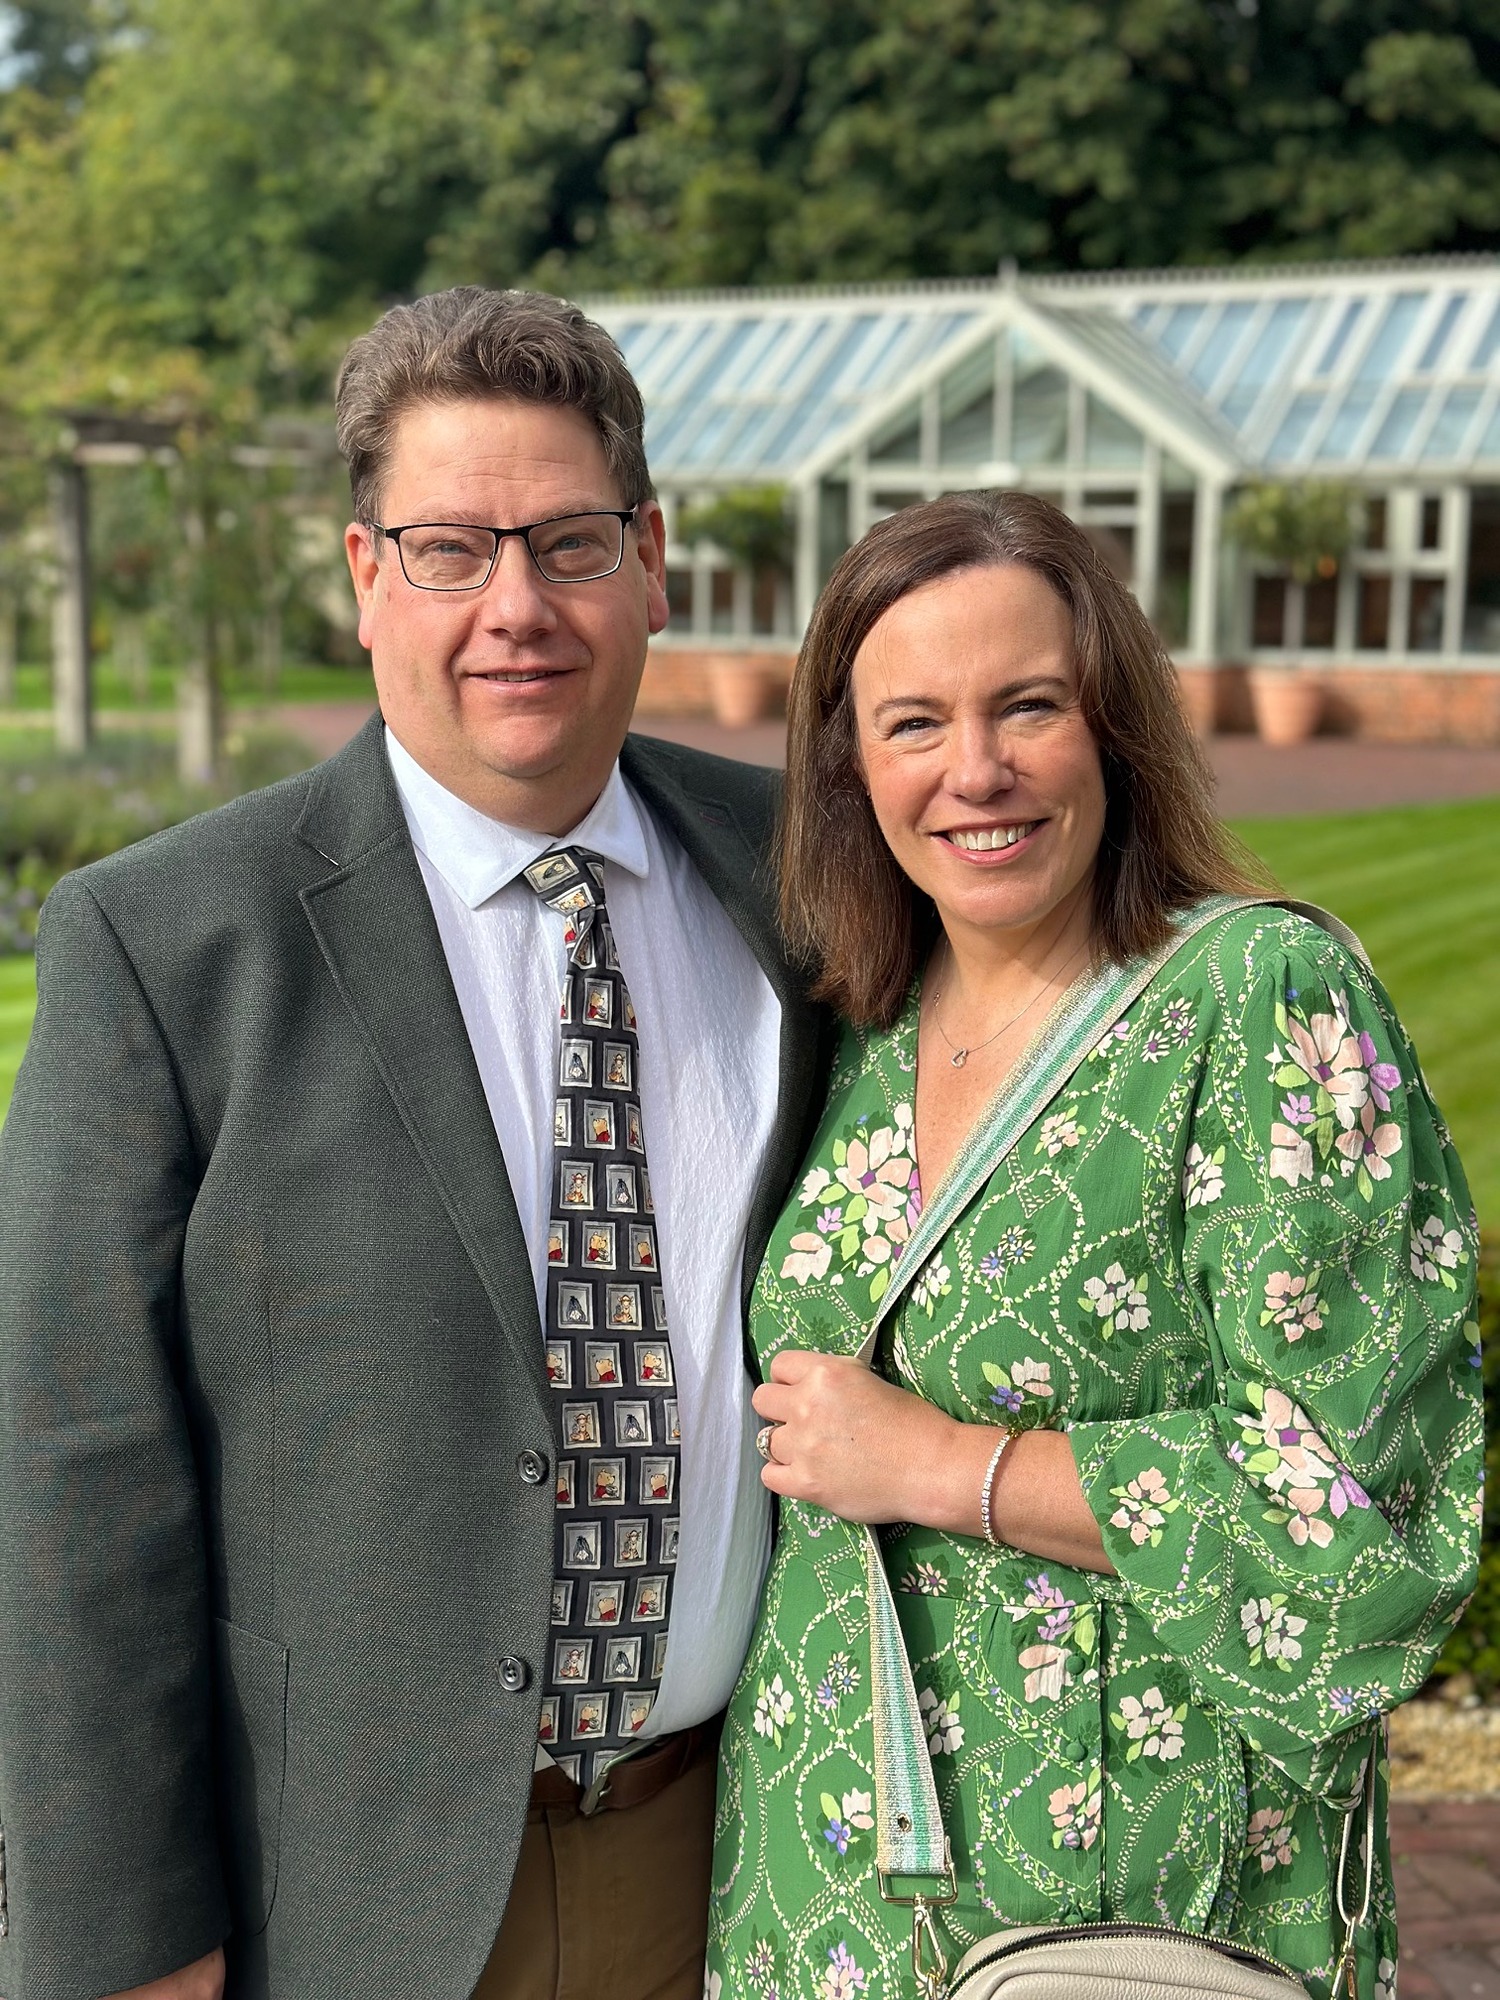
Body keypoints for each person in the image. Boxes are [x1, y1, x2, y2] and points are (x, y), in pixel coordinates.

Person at [0, 287, 827, 2000]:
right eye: (451, 550)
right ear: (366, 577)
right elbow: (73, 1475)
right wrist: (125, 1948)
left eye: (570, 544)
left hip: (750, 1863)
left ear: (650, 562)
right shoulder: (167, 945)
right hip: (343, 1899)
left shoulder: (808, 877)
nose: (516, 607)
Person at [707, 491, 1481, 2000]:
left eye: (1029, 707)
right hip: (823, 1896)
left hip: (1128, 1902)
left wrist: (947, 1467)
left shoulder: (1257, 999)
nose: (975, 771)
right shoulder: (858, 1032)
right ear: (851, 769)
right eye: (913, 723)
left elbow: (1370, 1510)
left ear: (1115, 728)